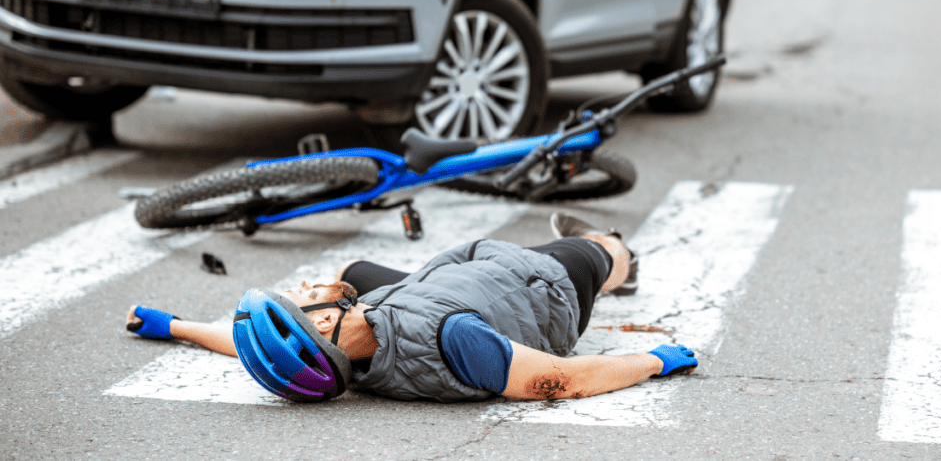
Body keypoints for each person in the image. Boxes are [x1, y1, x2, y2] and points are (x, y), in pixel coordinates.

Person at [126, 213, 699, 402]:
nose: (300, 286)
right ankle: (617, 252)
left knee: (350, 273)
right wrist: (655, 360)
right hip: (537, 288)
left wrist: (172, 325)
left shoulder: (343, 357)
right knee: (598, 254)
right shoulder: (459, 341)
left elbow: (254, 345)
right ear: (324, 321)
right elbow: (556, 379)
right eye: (298, 297)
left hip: (428, 290)